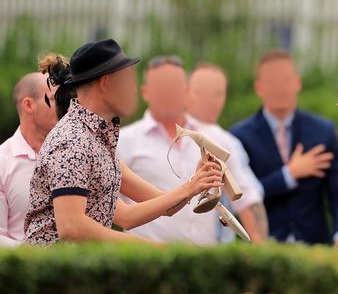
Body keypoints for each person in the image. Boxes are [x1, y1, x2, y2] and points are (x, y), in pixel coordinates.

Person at [24, 39, 223, 246]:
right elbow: (72, 227)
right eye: (128, 80)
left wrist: (195, 184)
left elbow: (138, 213)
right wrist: (153, 249)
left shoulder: (98, 141)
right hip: (54, 276)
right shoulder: (72, 140)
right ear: (106, 82)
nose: (134, 91)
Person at [118, 56, 267, 245]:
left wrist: (260, 253)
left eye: (175, 86)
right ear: (145, 92)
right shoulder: (123, 141)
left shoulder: (218, 138)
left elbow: (247, 198)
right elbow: (112, 211)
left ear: (188, 91)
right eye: (162, 87)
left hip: (204, 264)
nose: (169, 93)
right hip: (148, 264)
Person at [230, 50, 338, 247]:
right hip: (264, 246)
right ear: (259, 88)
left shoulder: (323, 131)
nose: (279, 88)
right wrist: (289, 175)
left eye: (285, 80)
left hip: (316, 246)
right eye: (271, 81)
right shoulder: (239, 137)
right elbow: (240, 198)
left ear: (297, 83)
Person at [186, 63, 264, 198]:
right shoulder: (145, 134)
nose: (209, 100)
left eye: (217, 94)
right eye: (200, 92)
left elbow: (249, 197)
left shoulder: (229, 143)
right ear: (185, 91)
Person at [0, 72, 58, 246]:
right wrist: (38, 258)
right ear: (28, 105)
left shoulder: (73, 153)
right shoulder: (2, 162)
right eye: (54, 99)